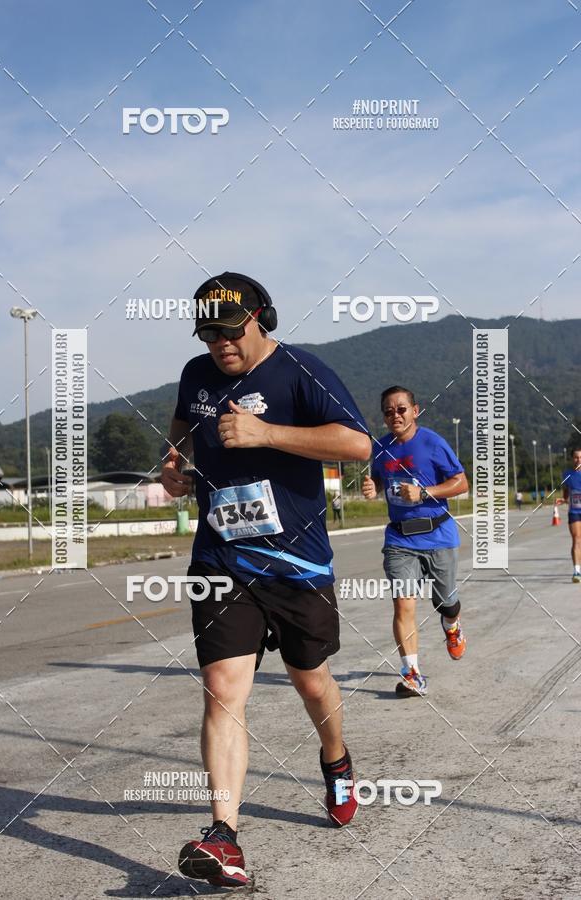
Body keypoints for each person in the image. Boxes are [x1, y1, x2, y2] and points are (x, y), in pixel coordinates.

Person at [161, 272, 372, 887]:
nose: (220, 344)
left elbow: (357, 444)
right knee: (223, 688)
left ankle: (336, 758)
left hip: (296, 563)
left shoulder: (302, 373)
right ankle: (224, 838)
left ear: (260, 318)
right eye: (208, 334)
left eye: (230, 331)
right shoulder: (197, 375)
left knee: (310, 681)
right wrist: (175, 466)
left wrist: (266, 433)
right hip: (221, 560)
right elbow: (180, 432)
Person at [362, 386, 468, 697]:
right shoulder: (381, 448)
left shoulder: (433, 443)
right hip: (399, 538)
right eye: (388, 411)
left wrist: (425, 492)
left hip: (438, 535)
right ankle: (412, 674)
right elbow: (381, 478)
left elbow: (461, 482)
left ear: (415, 410)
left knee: (446, 603)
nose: (395, 415)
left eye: (401, 409)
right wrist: (374, 487)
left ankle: (452, 626)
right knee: (403, 604)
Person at [562, 446, 581, 583]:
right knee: (576, 539)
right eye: (576, 457)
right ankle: (576, 571)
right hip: (574, 511)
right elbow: (566, 492)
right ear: (572, 459)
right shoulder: (567, 474)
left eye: (580, 457)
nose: (578, 460)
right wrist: (564, 499)